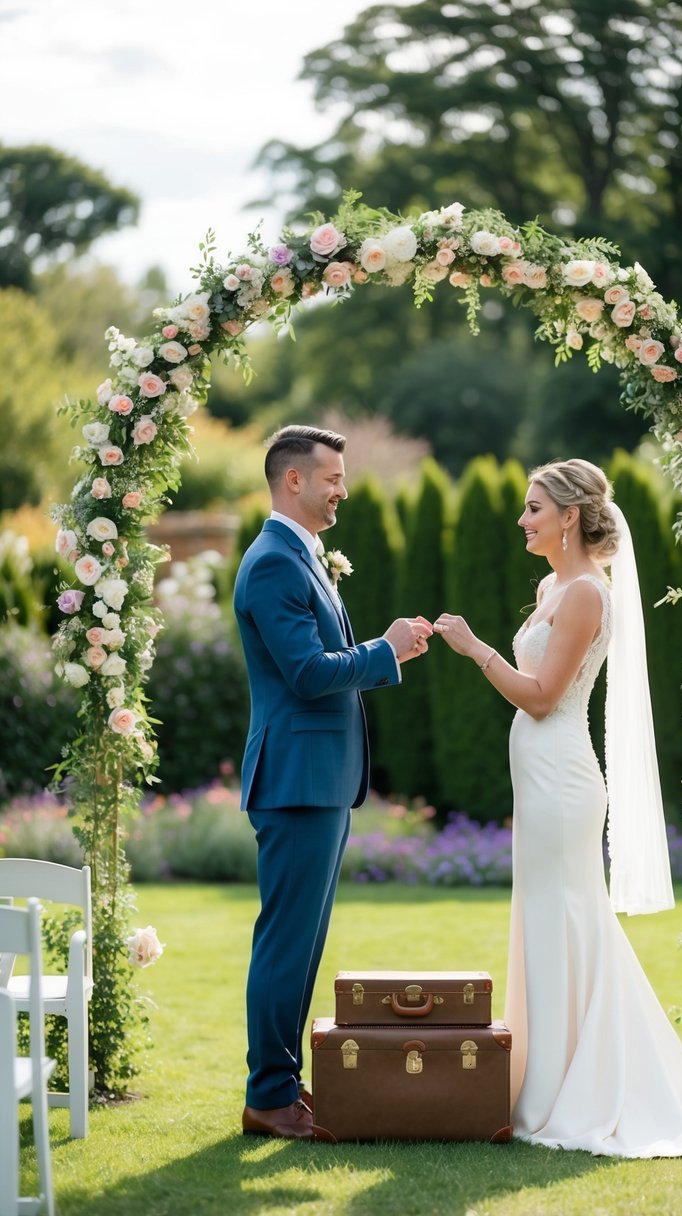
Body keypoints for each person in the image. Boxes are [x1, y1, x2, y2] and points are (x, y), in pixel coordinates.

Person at [434, 457, 682, 1156]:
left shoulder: (587, 594)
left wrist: (474, 649)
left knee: (569, 917)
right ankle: (545, 1079)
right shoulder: (550, 585)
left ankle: (582, 1088)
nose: (521, 519)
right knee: (543, 918)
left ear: (568, 516)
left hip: (562, 774)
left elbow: (541, 696)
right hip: (537, 778)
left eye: (533, 508)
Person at [234, 424, 432, 1140]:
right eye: (331, 478)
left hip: (317, 782)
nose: (342, 489)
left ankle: (284, 1086)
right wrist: (384, 650)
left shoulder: (299, 556)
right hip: (295, 781)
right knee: (286, 942)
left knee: (303, 942)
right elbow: (309, 673)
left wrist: (380, 648)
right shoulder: (273, 565)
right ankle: (268, 1096)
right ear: (293, 480)